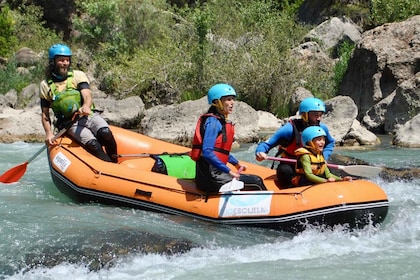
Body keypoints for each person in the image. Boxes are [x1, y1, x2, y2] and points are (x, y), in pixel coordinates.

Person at [39, 43, 118, 163]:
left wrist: (86, 106)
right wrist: (49, 133)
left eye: (67, 60)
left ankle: (115, 161)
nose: (65, 63)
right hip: (70, 124)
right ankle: (110, 167)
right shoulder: (45, 85)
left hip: (88, 116)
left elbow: (87, 95)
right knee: (92, 144)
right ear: (53, 62)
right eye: (61, 60)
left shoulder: (78, 75)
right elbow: (45, 114)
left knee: (105, 133)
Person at [190, 83, 265, 194]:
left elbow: (219, 150)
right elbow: (207, 152)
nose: (232, 103)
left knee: (253, 179)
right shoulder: (212, 123)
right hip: (210, 177)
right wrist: (229, 171)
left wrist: (236, 163)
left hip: (216, 173)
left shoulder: (219, 120)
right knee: (256, 181)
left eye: (233, 99)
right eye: (228, 99)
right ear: (217, 102)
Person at [255, 97, 335, 188]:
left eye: (321, 115)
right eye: (315, 115)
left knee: (328, 171)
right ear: (305, 115)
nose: (319, 118)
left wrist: (324, 157)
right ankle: (292, 190)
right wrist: (260, 152)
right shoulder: (289, 129)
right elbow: (266, 144)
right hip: (292, 165)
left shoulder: (322, 128)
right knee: (284, 170)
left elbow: (330, 142)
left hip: (313, 165)